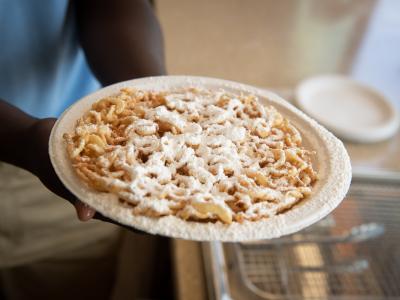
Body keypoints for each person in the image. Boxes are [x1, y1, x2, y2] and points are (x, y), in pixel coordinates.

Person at [0, 0, 166, 299]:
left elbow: (110, 7)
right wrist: (22, 138)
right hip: (43, 148)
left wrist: (149, 101)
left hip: (67, 155)